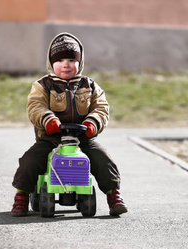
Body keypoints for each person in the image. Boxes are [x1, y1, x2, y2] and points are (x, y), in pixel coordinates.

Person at [11, 32, 127, 217]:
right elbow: (35, 106)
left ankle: (113, 195)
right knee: (29, 160)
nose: (66, 64)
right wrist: (48, 119)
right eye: (60, 60)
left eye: (72, 60)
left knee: (103, 158)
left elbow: (101, 108)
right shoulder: (43, 86)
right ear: (51, 62)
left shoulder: (89, 85)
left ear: (80, 63)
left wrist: (93, 123)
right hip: (51, 139)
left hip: (82, 139)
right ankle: (22, 195)